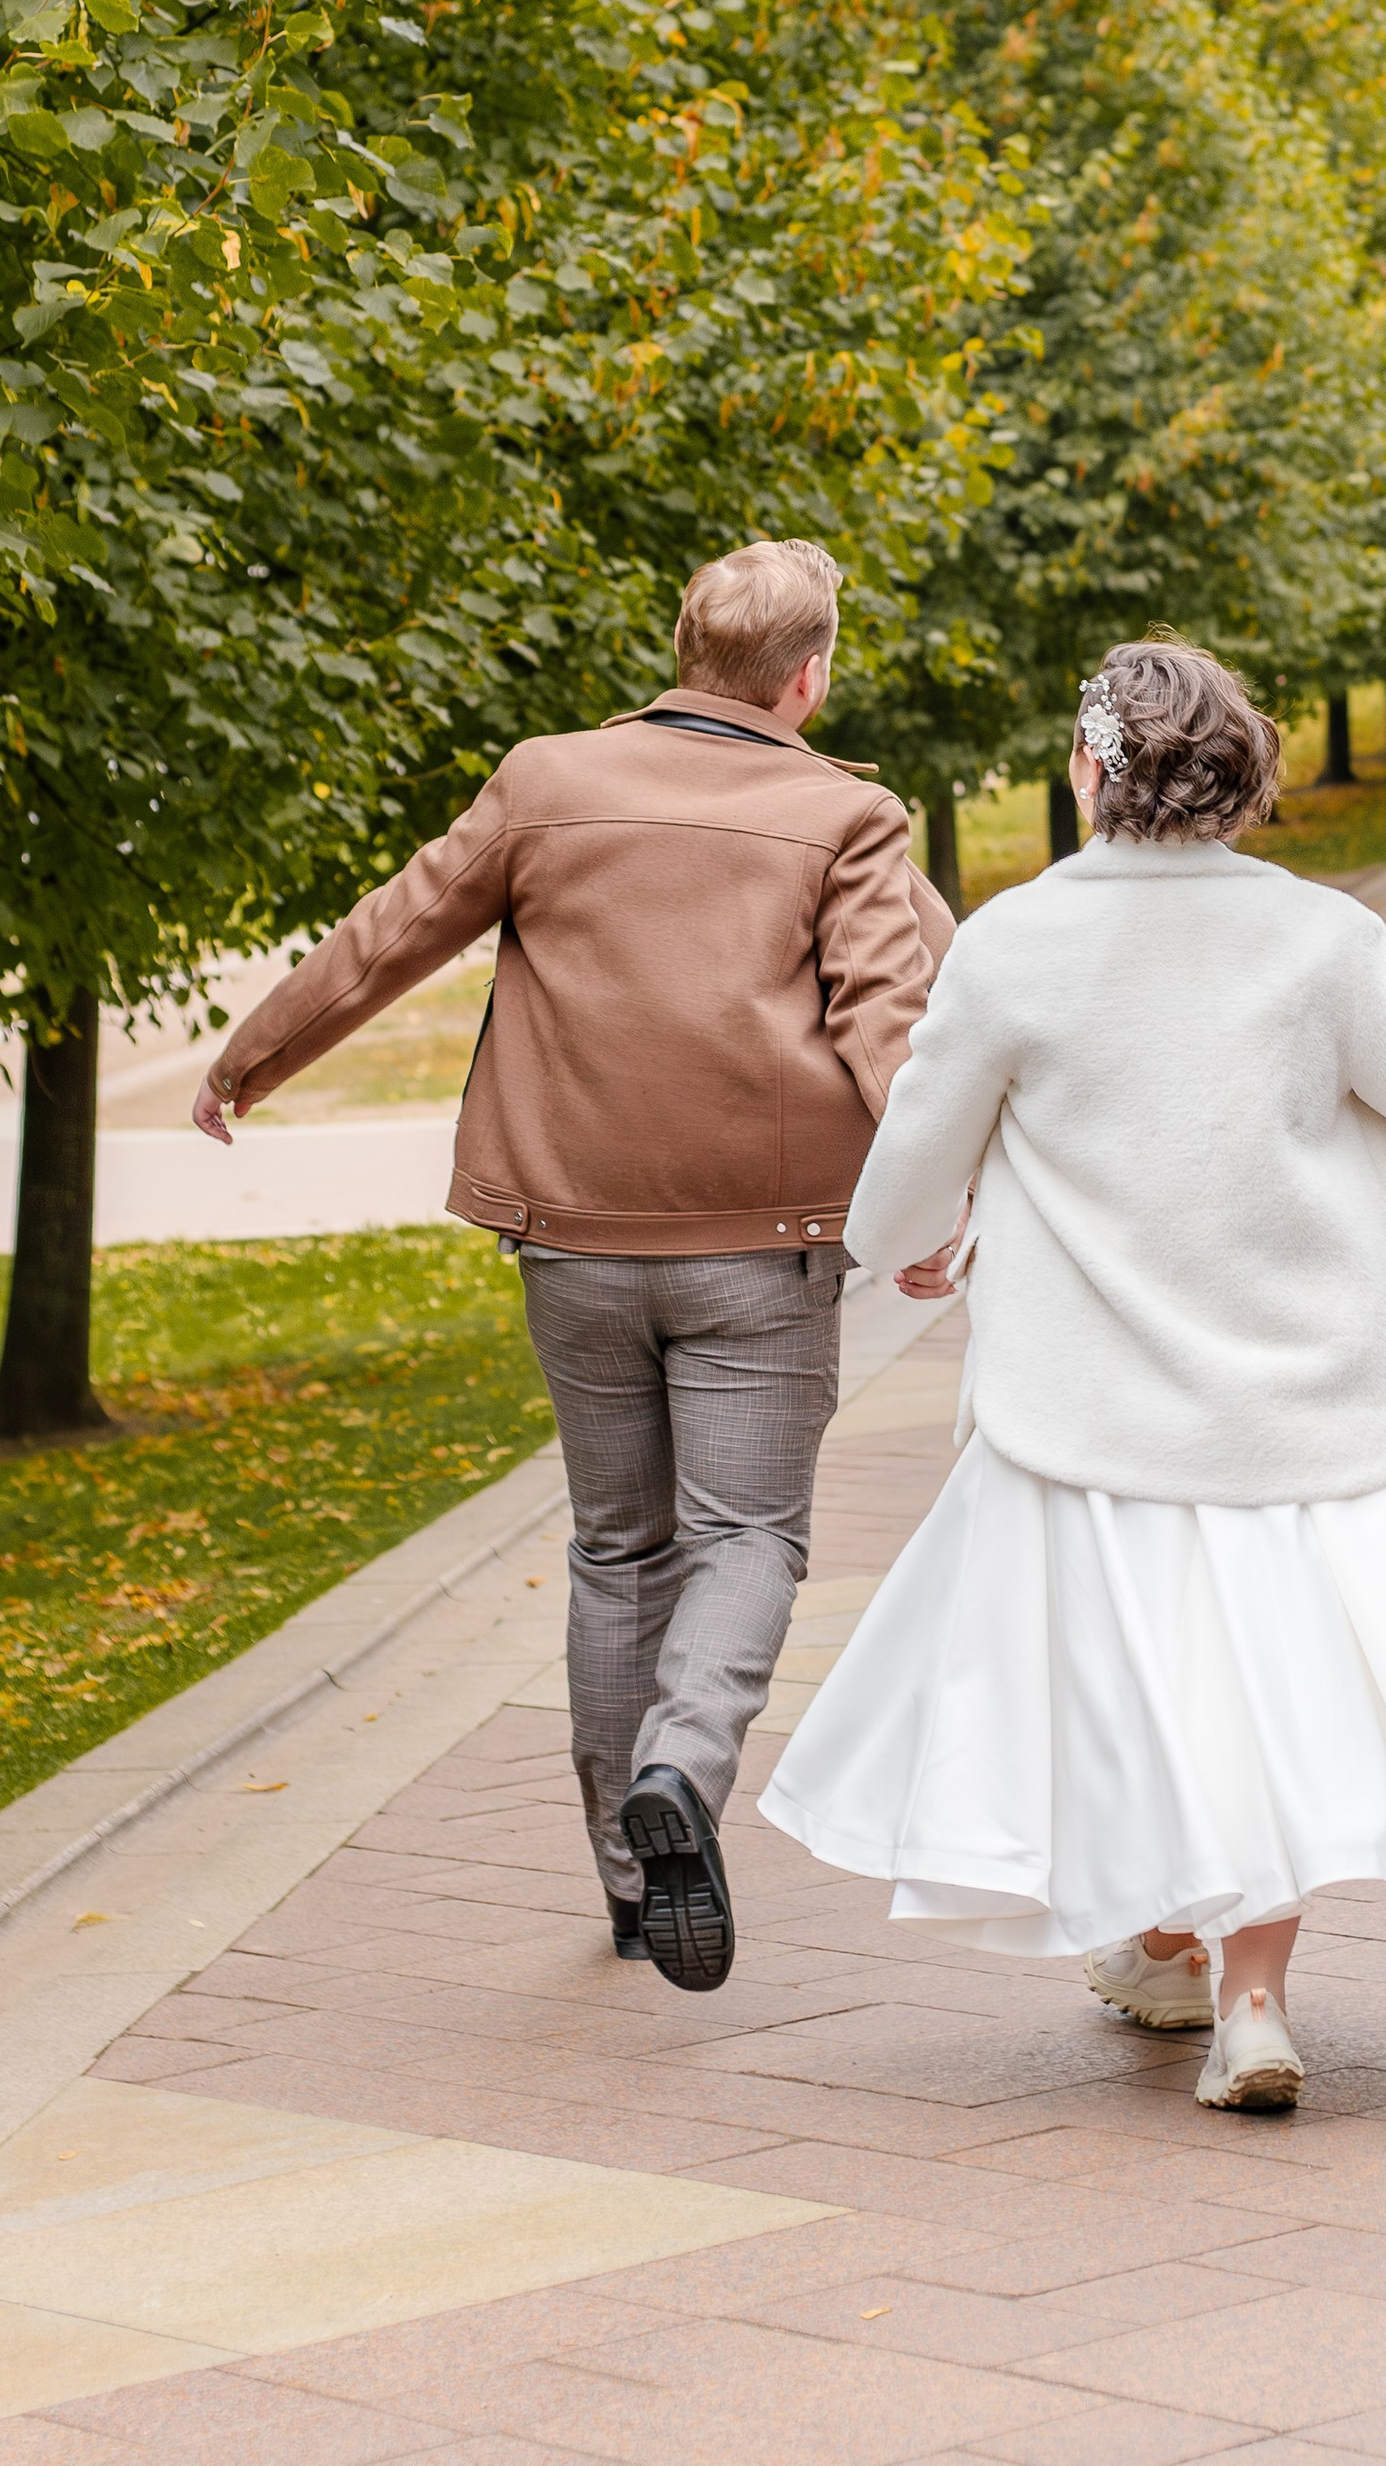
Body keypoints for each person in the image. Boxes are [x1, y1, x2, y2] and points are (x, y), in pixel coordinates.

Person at [760, 638, 1386, 2113]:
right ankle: (1247, 1996)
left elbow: (907, 1174)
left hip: (1087, 1407)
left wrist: (911, 1243)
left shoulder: (1016, 943)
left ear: (1089, 769)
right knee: (1276, 1690)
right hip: (1295, 1401)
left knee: (1136, 1687)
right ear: (1240, 776)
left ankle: (1159, 1943)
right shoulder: (1322, 941)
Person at [193, 539, 949, 1992]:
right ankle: (684, 1767)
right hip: (763, 1249)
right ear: (811, 673)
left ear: (680, 646)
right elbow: (891, 1025)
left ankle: (625, 1873)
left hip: (572, 1241)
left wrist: (248, 1063)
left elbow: (382, 940)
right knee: (748, 1538)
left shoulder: (544, 781)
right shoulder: (846, 813)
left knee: (620, 1547)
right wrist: (930, 1212)